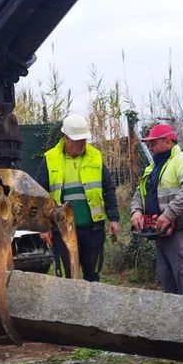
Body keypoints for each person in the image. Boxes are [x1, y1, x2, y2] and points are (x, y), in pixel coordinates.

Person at [35, 113, 120, 281]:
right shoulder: (50, 159)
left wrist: (114, 218)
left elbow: (108, 189)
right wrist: (43, 227)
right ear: (66, 138)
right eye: (78, 139)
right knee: (67, 279)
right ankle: (69, 306)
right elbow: (40, 195)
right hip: (61, 230)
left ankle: (92, 305)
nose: (82, 143)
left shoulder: (95, 157)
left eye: (84, 139)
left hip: (93, 230)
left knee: (93, 276)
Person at [130, 123, 183, 297]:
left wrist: (168, 214)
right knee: (168, 279)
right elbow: (138, 193)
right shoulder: (153, 167)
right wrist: (136, 211)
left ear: (167, 142)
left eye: (154, 143)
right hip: (162, 230)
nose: (151, 147)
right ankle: (175, 320)